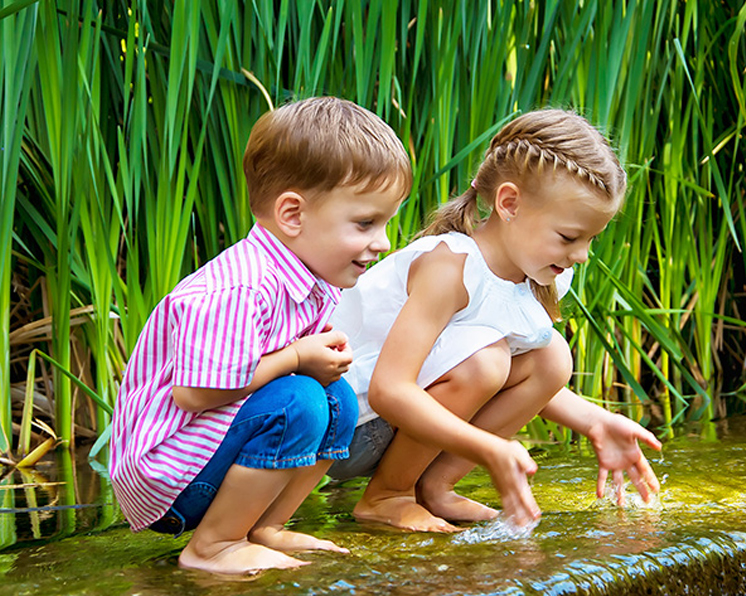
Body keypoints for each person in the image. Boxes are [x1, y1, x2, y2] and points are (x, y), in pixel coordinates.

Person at [109, 97, 412, 574]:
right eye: (366, 223)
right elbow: (194, 392)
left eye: (386, 222)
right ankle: (213, 546)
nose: (384, 241)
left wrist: (316, 360)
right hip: (169, 477)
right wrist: (296, 357)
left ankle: (265, 525)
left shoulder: (312, 279)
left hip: (210, 454)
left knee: (337, 399)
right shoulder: (241, 288)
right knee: (299, 399)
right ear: (292, 214)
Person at [327, 109, 662, 533]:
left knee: (552, 357)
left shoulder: (538, 275)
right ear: (509, 204)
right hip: (347, 427)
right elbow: (389, 390)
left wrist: (594, 420)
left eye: (591, 239)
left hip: (397, 427)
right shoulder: (450, 266)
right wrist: (487, 448)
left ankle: (435, 486)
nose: (581, 255)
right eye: (568, 237)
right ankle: (387, 495)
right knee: (487, 360)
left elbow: (513, 376)